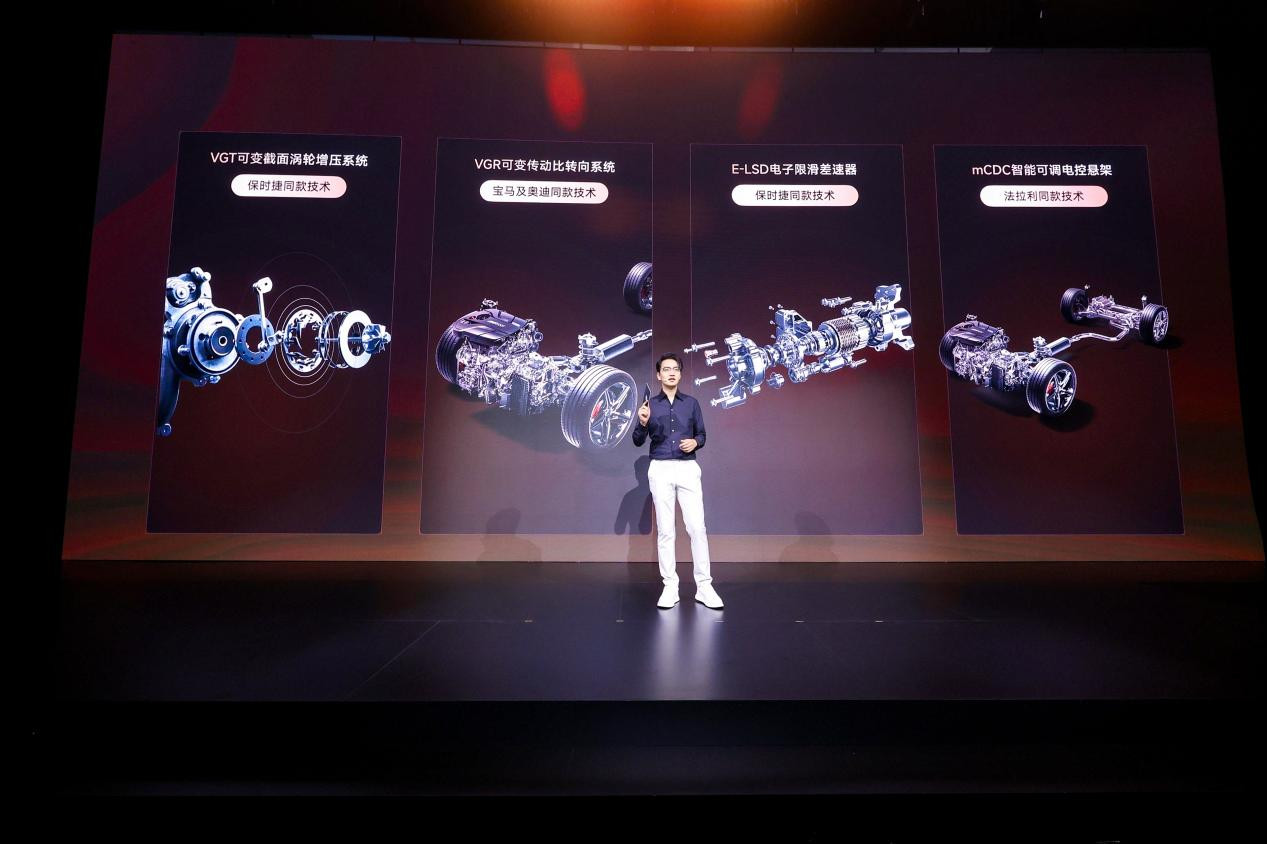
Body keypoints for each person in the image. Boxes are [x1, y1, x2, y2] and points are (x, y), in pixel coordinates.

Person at [632, 352, 723, 609]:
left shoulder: (691, 403)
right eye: (666, 369)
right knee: (666, 531)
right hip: (660, 468)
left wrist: (695, 442)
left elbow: (702, 435)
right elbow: (637, 440)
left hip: (687, 469)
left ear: (680, 374)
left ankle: (704, 587)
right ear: (659, 375)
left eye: (675, 369)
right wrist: (642, 422)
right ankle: (670, 587)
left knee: (697, 528)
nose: (671, 373)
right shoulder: (650, 405)